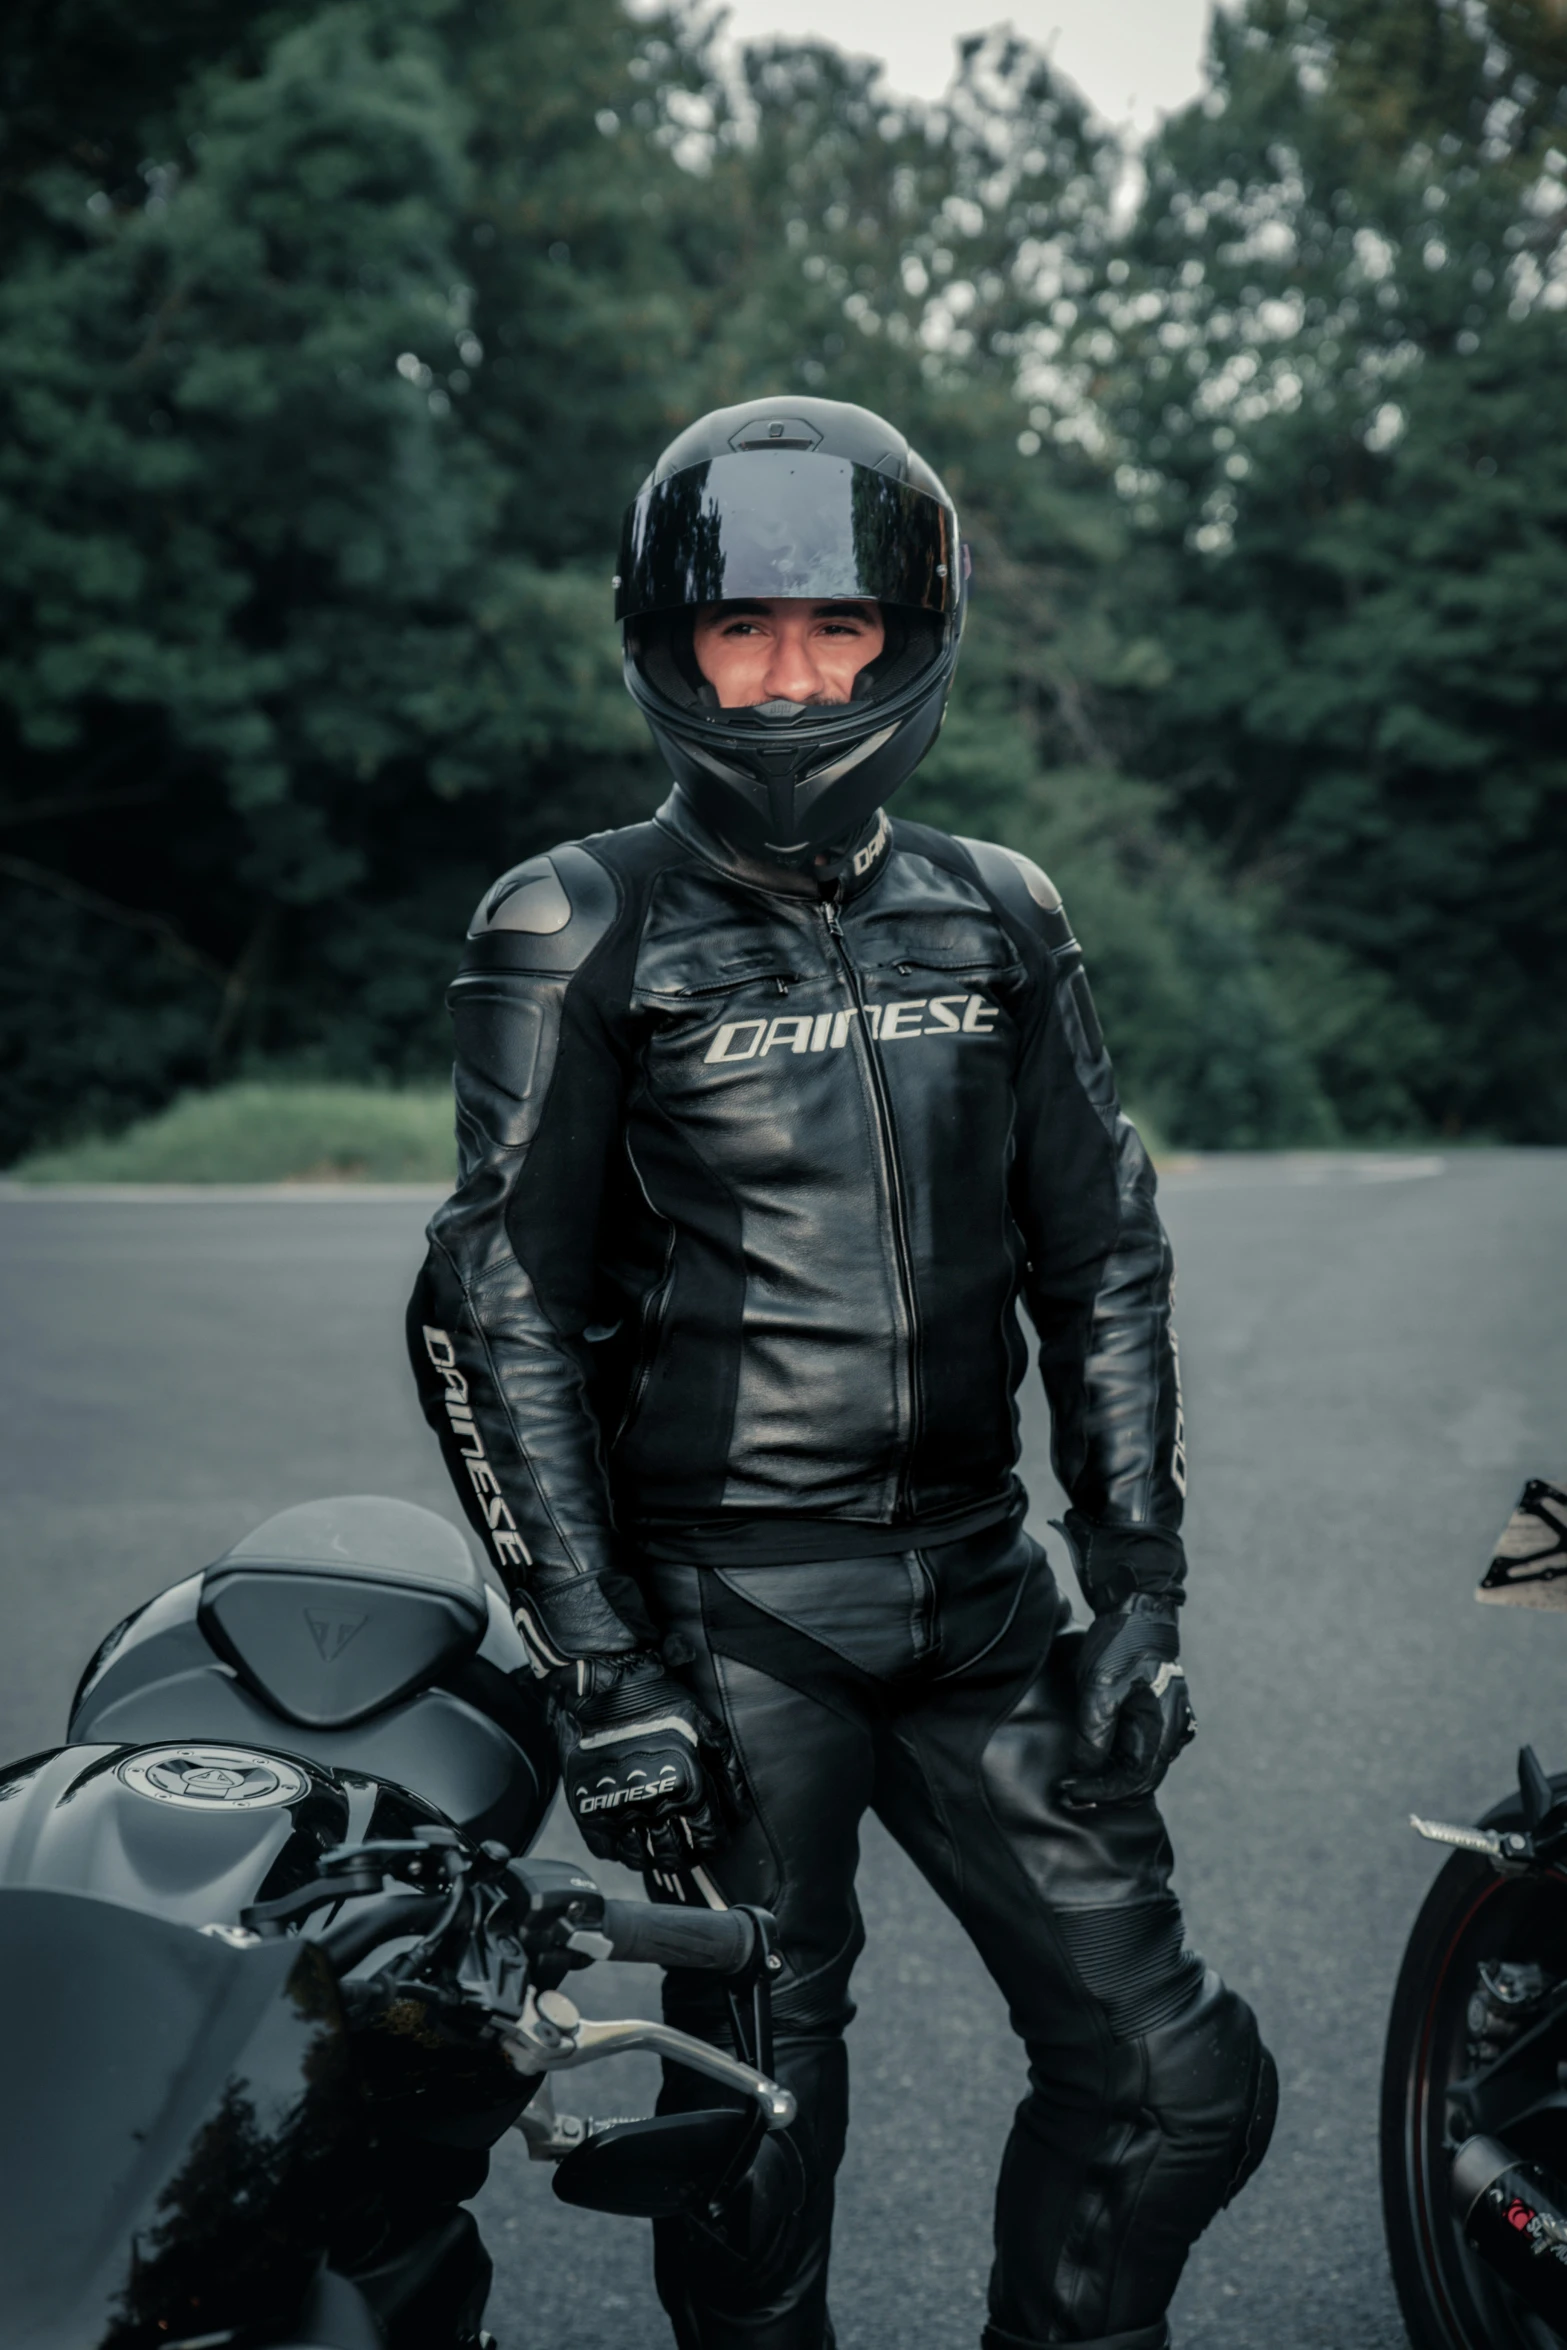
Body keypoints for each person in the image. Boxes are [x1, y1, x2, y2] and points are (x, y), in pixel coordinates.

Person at [407, 394, 1275, 2350]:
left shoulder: (1005, 908)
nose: (791, 677)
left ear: (908, 633)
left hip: (987, 1602)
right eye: (743, 630)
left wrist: (1141, 1582)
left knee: (1178, 2082)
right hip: (732, 1630)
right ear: (671, 644)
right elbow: (492, 1301)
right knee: (756, 2152)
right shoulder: (573, 921)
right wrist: (604, 1664)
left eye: (835, 627)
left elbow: (1102, 1249)